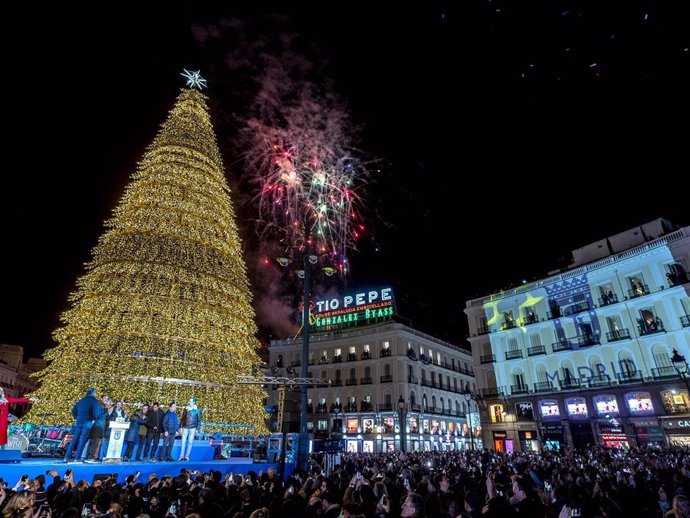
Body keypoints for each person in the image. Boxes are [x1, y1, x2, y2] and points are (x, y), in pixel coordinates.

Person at [64, 387, 103, 463]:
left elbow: (74, 410)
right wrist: (94, 419)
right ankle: (77, 458)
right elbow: (96, 411)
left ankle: (66, 457)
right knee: (82, 440)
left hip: (79, 422)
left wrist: (77, 417)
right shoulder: (94, 400)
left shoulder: (81, 400)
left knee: (74, 439)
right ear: (94, 393)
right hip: (87, 422)